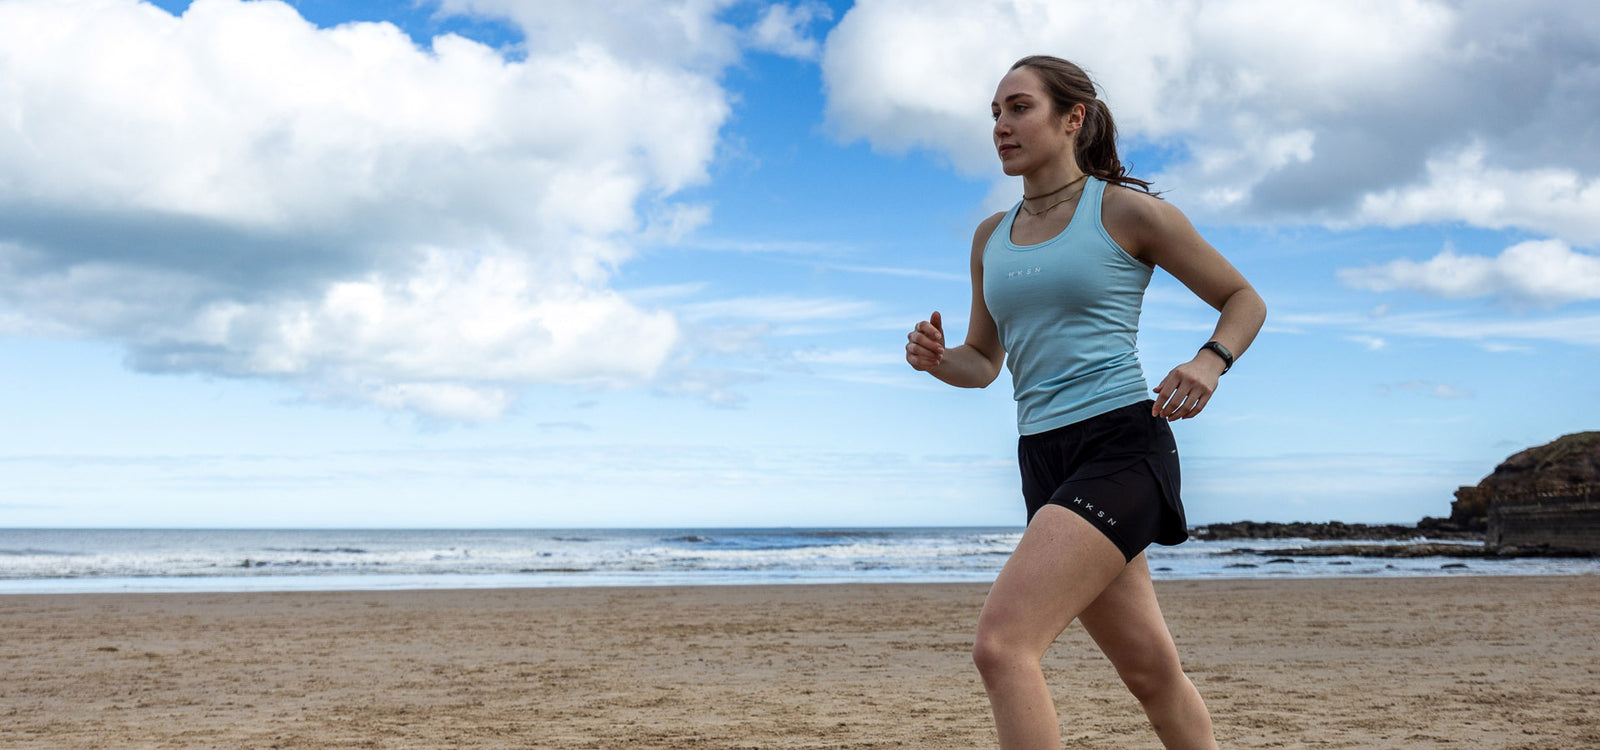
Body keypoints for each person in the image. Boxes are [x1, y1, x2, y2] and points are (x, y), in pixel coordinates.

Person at [905, 55, 1266, 750]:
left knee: (1002, 646)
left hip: (1120, 448)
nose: (1001, 127)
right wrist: (936, 362)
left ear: (1073, 118)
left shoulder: (1125, 212)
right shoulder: (989, 236)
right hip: (1042, 459)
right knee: (1150, 673)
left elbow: (1243, 298)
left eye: (1018, 108)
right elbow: (983, 364)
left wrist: (1210, 360)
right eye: (994, 114)